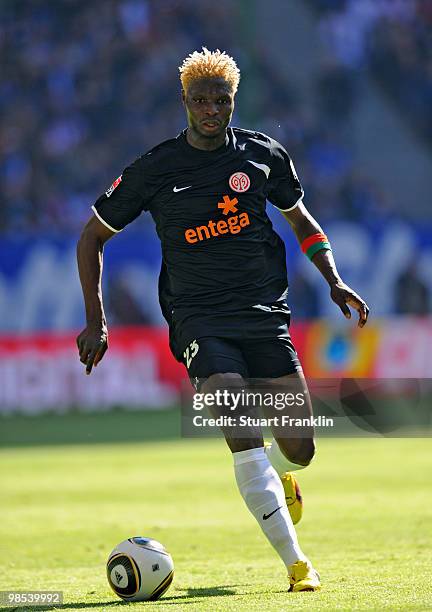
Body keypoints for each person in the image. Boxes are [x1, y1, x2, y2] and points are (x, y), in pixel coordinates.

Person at [76, 48, 369, 592]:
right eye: (200, 100)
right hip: (198, 320)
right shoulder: (155, 169)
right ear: (184, 101)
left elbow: (301, 220)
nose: (212, 109)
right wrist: (96, 320)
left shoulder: (263, 155)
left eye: (222, 100)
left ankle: (281, 486)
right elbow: (92, 235)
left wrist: (333, 278)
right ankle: (297, 564)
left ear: (234, 101)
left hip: (264, 317)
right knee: (236, 415)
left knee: (301, 451)